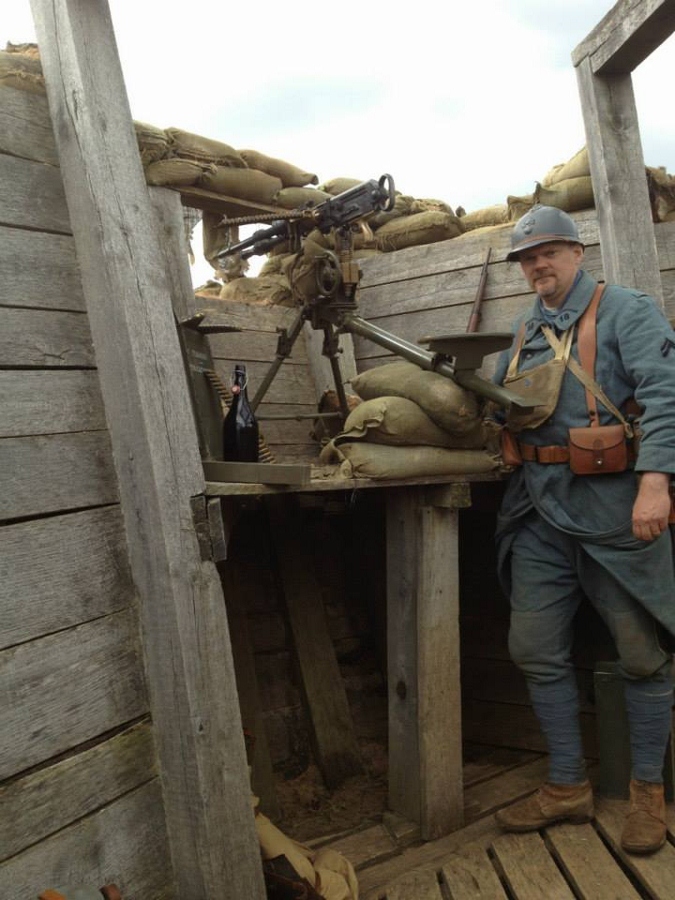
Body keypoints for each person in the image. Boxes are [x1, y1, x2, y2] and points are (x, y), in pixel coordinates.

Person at [492, 204, 675, 854]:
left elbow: (664, 392)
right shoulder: (522, 332)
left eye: (546, 252)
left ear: (575, 251)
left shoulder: (625, 310)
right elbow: (504, 406)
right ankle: (567, 784)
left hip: (614, 513)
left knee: (639, 656)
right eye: (525, 257)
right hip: (540, 513)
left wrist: (655, 482)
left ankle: (647, 792)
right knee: (533, 647)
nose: (536, 265)